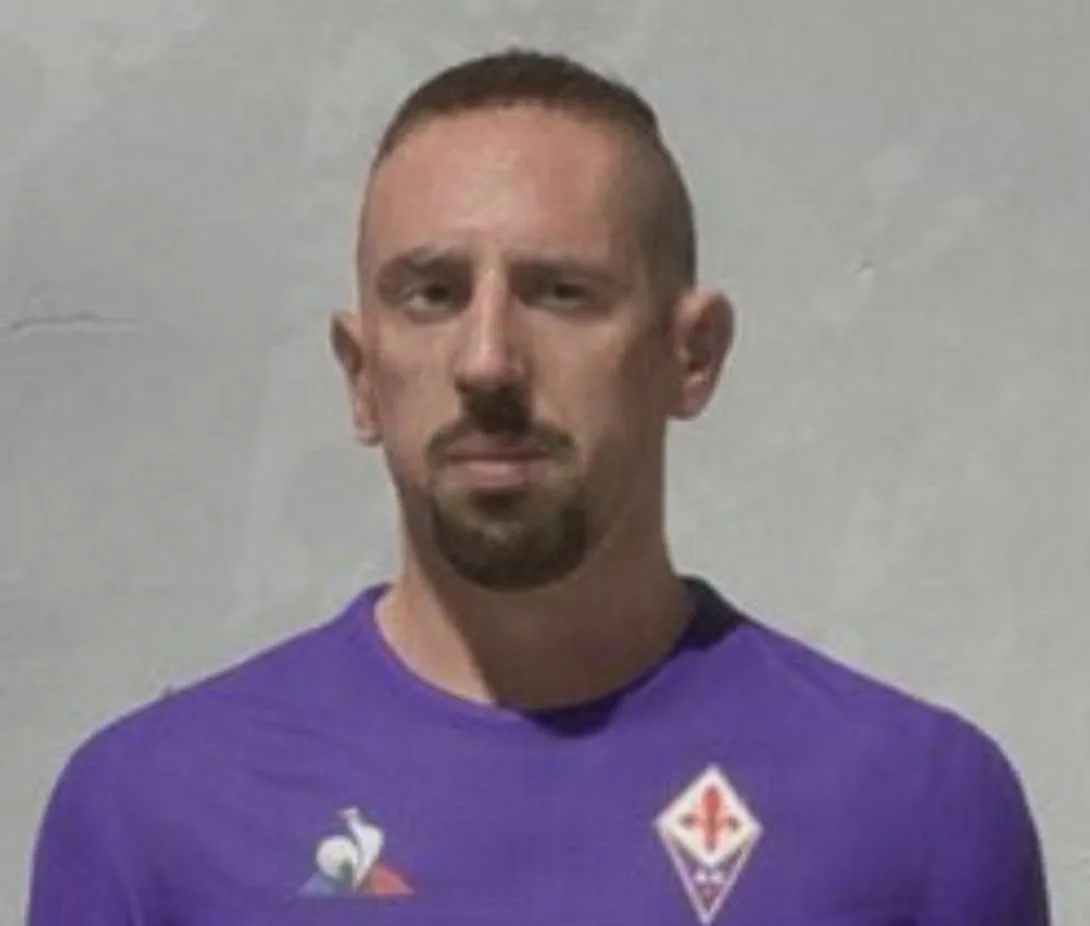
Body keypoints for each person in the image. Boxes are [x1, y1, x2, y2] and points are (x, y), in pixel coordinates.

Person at [26, 48, 1050, 926]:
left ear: (691, 355)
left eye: (560, 292)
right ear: (361, 373)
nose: (487, 361)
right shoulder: (151, 817)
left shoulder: (909, 810)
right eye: (431, 294)